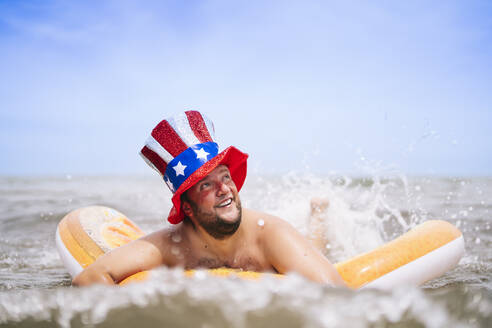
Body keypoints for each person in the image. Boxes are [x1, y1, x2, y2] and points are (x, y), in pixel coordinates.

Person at [72, 111, 346, 287]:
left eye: (226, 177)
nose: (225, 189)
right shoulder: (171, 245)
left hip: (286, 248)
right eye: (206, 185)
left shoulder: (270, 235)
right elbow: (90, 278)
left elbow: (335, 292)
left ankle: (318, 213)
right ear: (187, 207)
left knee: (314, 246)